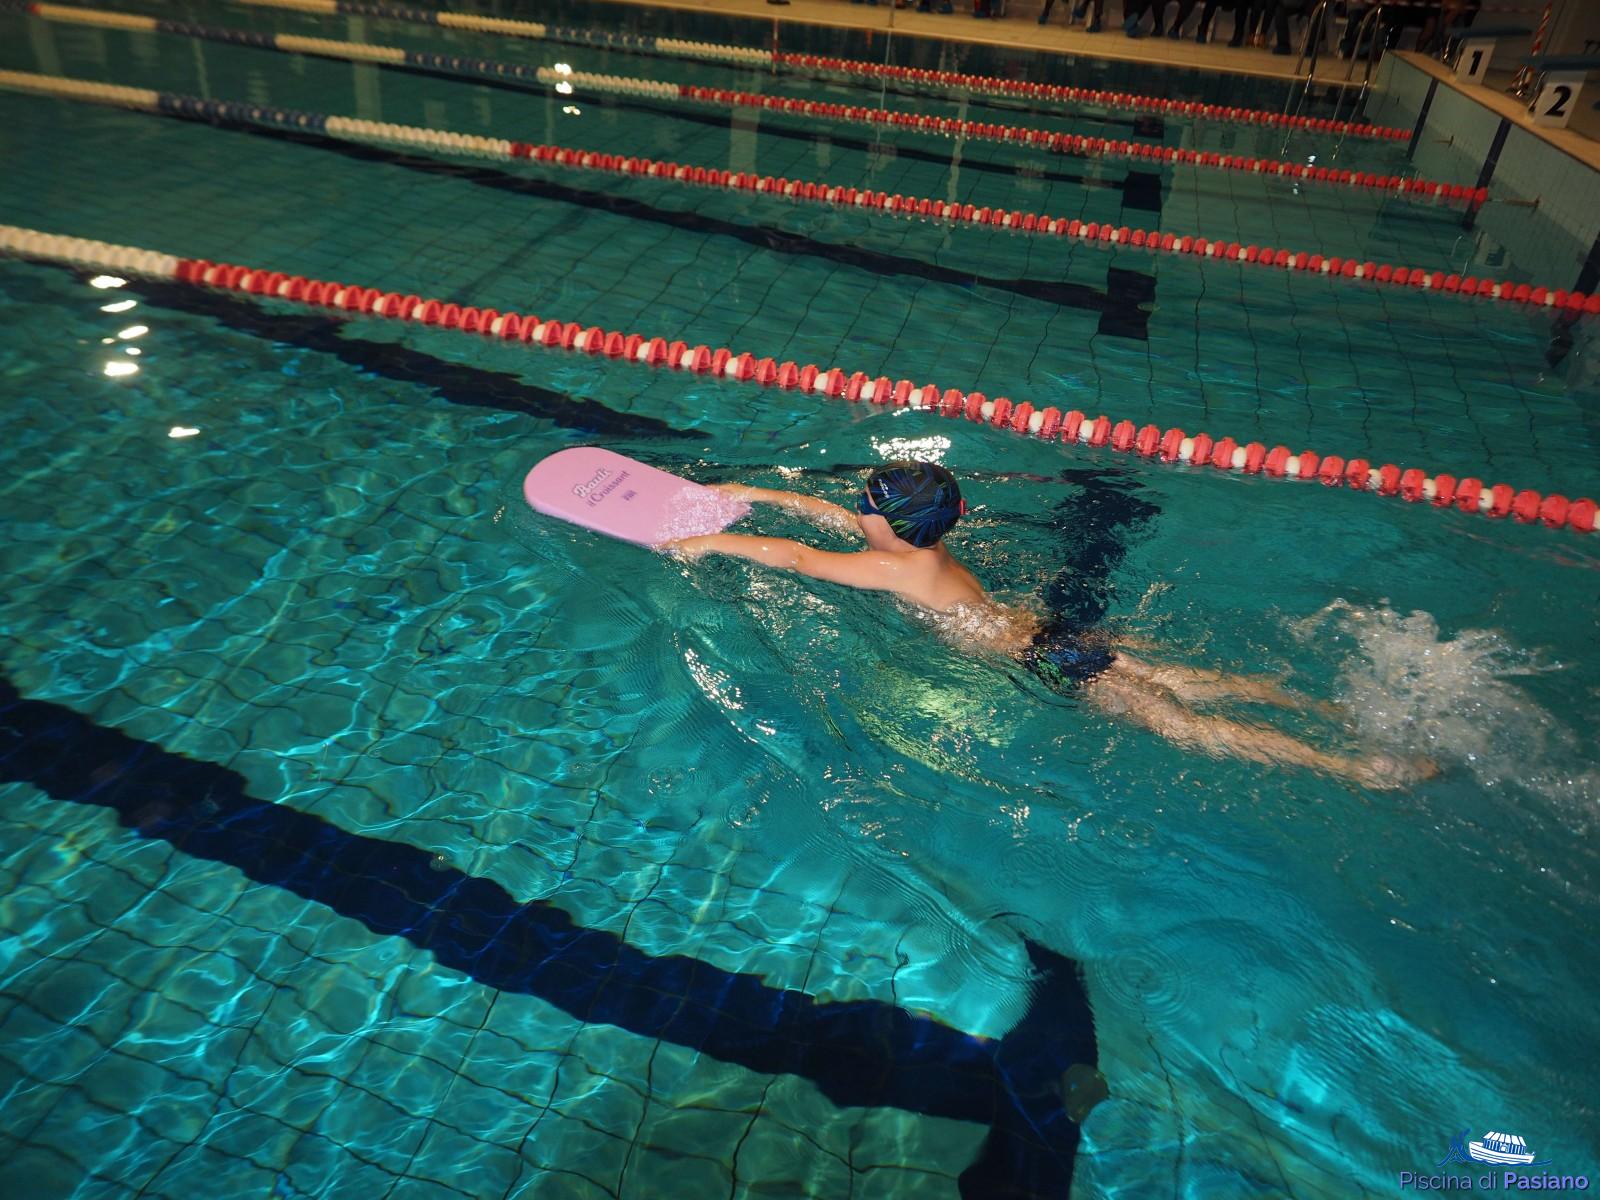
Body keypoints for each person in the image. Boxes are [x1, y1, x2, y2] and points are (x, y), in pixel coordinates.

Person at [667, 462, 1433, 790]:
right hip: (1042, 632)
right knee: (1186, 681)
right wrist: (755, 496)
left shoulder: (890, 570)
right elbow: (830, 521)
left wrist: (709, 542)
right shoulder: (921, 551)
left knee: (1186, 727)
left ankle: (1349, 767)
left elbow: (798, 558)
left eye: (866, 507)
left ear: (888, 529)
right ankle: (1324, 708)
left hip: (1041, 664)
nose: (854, 511)